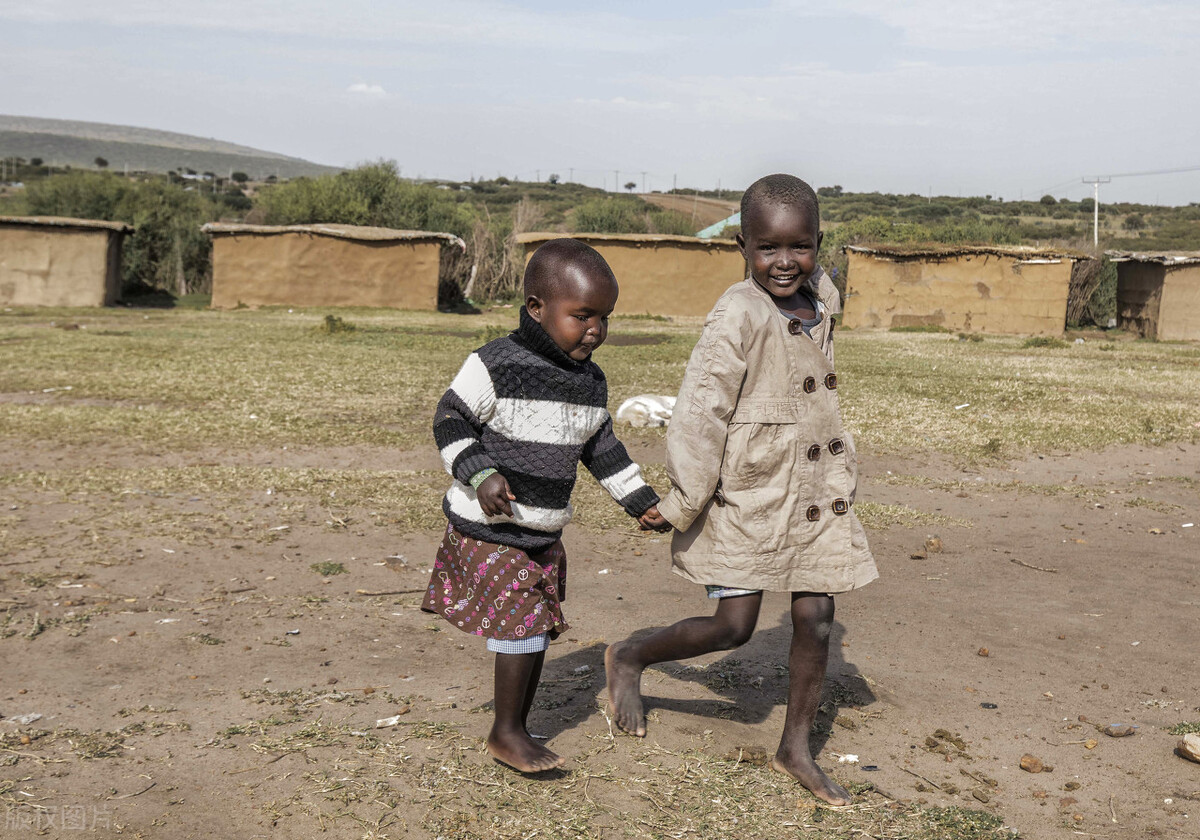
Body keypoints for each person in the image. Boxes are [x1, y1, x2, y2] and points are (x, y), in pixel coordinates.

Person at [604, 174, 877, 805]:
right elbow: (700, 413)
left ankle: (795, 748)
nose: (784, 262)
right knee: (734, 626)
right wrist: (682, 501)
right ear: (742, 247)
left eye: (800, 246)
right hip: (748, 494)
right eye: (767, 248)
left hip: (814, 489)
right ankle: (631, 656)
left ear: (818, 244)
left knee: (817, 616)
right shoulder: (738, 313)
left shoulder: (820, 302)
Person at [424, 238, 669, 773]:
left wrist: (640, 501)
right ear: (537, 308)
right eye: (582, 316)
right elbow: (450, 419)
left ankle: (515, 724)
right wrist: (480, 473)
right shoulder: (495, 363)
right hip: (489, 529)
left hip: (542, 532)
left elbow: (601, 449)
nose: (595, 329)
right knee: (525, 624)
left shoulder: (590, 382)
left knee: (533, 628)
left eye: (604, 317)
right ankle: (506, 732)